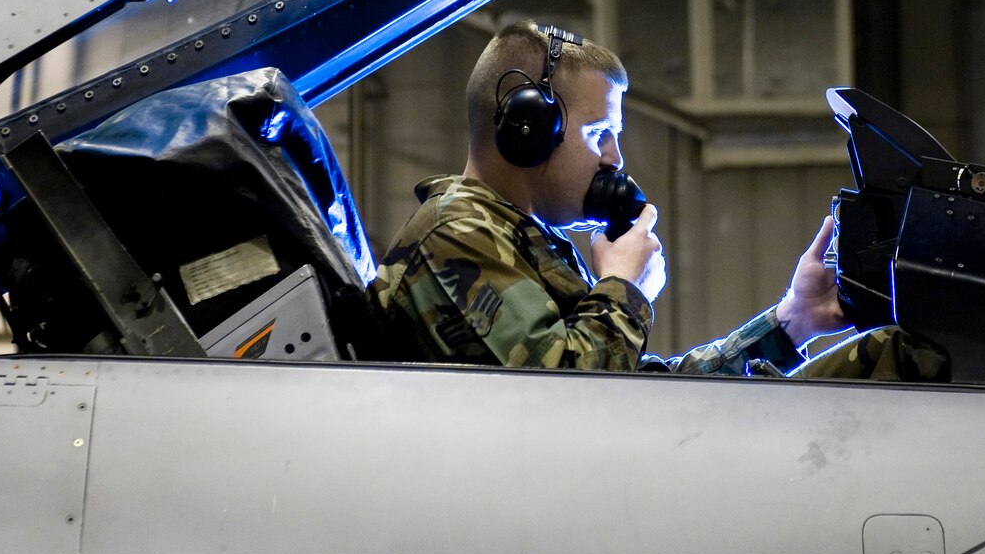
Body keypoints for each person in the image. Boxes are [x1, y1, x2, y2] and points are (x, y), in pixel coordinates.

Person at [369, 21, 946, 380]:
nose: (614, 160)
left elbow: (647, 389)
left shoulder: (515, 239)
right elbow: (568, 407)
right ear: (528, 128)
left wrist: (792, 321)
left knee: (892, 355)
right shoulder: (454, 234)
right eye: (598, 135)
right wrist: (624, 290)